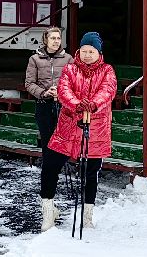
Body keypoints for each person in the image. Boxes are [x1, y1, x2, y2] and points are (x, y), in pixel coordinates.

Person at [41, 32, 118, 232]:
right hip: (67, 128)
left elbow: (108, 91)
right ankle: (48, 212)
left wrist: (93, 104)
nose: (87, 55)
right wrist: (77, 104)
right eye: (84, 51)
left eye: (91, 51)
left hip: (95, 129)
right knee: (50, 166)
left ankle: (87, 216)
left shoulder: (107, 70)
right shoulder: (70, 69)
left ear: (98, 53)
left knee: (90, 173)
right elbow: (63, 91)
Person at [24, 27, 71, 165]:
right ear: (46, 40)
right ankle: (49, 170)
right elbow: (29, 83)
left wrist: (62, 92)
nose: (56, 41)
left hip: (63, 105)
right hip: (44, 105)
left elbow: (74, 82)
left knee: (62, 138)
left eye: (58, 38)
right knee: (47, 139)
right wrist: (44, 93)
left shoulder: (68, 59)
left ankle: (60, 165)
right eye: (52, 38)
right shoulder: (35, 59)